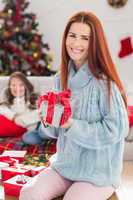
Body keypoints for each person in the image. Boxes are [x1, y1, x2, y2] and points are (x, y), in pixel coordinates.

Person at [19, 11, 129, 200]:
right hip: (66, 165)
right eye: (72, 35)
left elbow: (117, 130)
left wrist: (72, 125)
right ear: (65, 38)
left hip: (98, 172)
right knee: (29, 193)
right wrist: (47, 118)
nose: (76, 43)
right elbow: (54, 132)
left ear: (94, 43)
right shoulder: (60, 78)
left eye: (85, 38)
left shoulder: (104, 83)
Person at [0, 71, 40, 137]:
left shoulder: (34, 99)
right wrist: (14, 116)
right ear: (9, 87)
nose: (17, 88)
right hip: (12, 127)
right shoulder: (8, 100)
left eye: (21, 85)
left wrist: (20, 120)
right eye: (13, 85)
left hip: (27, 130)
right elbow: (1, 109)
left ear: (26, 86)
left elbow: (38, 116)